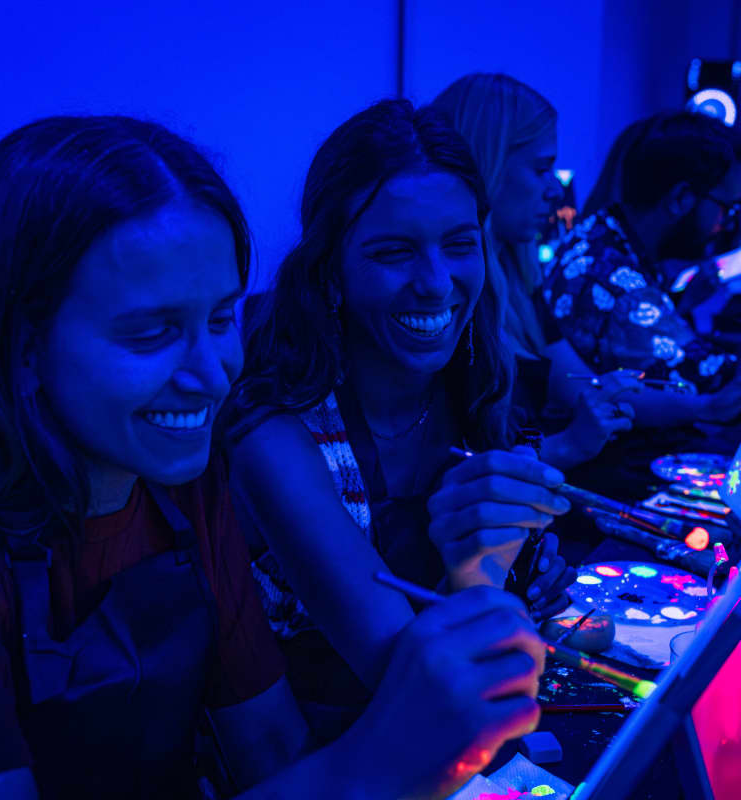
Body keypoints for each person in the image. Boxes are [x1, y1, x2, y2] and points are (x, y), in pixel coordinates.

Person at [0, 115, 548, 799]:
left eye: (222, 319)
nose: (214, 373)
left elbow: (274, 750)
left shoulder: (180, 483)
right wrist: (379, 760)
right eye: (152, 334)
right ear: (21, 348)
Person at [225, 100, 573, 741]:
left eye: (460, 245)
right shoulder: (276, 440)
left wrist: (529, 579)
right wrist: (484, 574)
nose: (438, 284)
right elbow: (422, 692)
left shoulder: (475, 384)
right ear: (330, 272)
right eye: (394, 252)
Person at [429, 72, 637, 459]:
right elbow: (454, 465)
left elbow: (579, 387)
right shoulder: (450, 287)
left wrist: (616, 394)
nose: (556, 189)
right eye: (541, 169)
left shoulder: (518, 274)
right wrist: (569, 445)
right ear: (486, 166)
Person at [540, 112, 741, 426]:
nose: (727, 224)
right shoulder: (615, 281)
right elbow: (724, 388)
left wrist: (681, 306)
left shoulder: (603, 232)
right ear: (680, 198)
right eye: (726, 207)